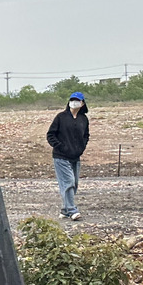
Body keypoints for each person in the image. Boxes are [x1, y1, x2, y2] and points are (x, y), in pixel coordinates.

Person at [46, 91, 90, 220]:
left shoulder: (83, 119)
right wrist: (61, 146)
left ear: (82, 103)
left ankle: (65, 209)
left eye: (77, 100)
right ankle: (72, 210)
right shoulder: (61, 117)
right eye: (72, 99)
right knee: (68, 182)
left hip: (75, 157)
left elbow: (86, 135)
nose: (74, 102)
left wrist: (82, 147)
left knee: (74, 183)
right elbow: (50, 135)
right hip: (61, 156)